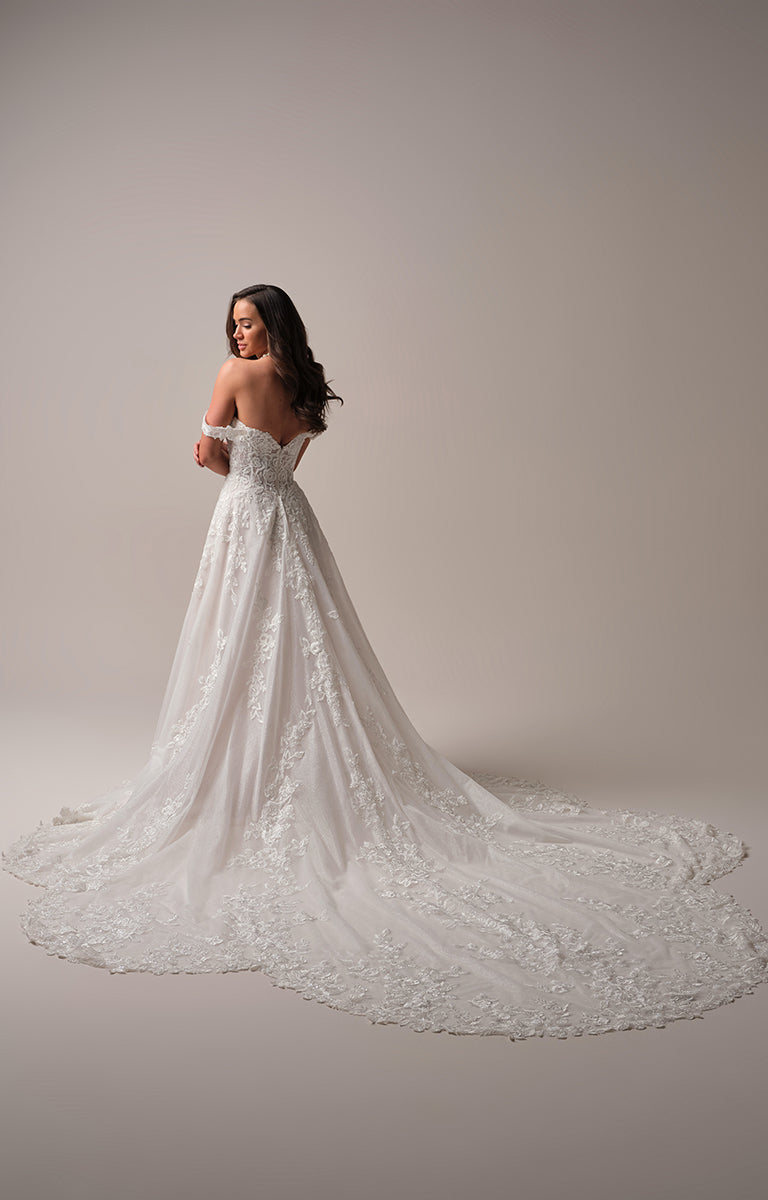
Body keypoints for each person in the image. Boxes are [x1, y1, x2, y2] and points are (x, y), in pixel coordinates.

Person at [4, 284, 767, 1039]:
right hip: (291, 524)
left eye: (248, 324)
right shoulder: (303, 388)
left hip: (243, 524)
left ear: (272, 326)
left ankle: (243, 774)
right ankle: (276, 766)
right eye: (234, 326)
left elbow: (216, 458)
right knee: (302, 647)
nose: (237, 336)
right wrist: (247, 461)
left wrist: (212, 457)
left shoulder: (235, 377)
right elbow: (285, 468)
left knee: (241, 647)